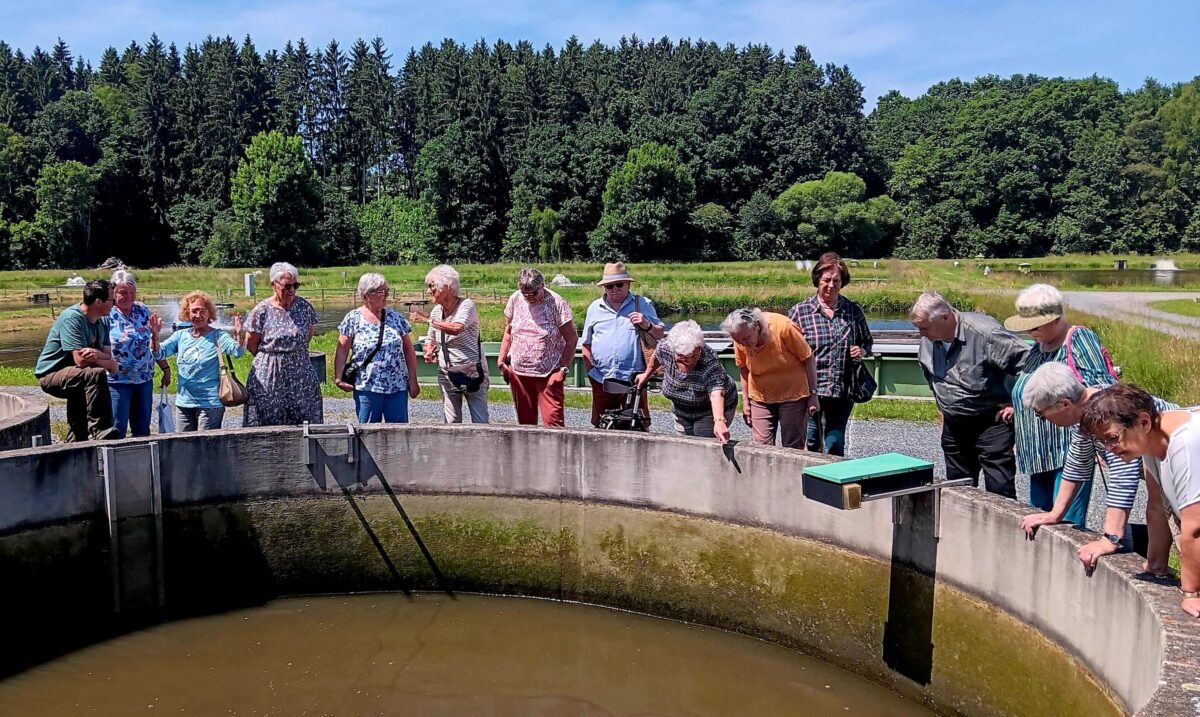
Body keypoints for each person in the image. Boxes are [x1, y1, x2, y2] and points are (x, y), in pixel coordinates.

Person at [1019, 363, 1177, 577]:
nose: (1044, 421)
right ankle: (1160, 568)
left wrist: (1110, 539)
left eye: (1041, 415)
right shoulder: (1089, 409)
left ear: (1064, 404)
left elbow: (1123, 477)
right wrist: (1055, 514)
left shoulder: (1107, 415)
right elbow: (1077, 463)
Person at [1079, 384, 1200, 618]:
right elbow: (1156, 508)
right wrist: (1156, 567)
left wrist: (1191, 593)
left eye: (1112, 438)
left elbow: (1195, 528)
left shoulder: (1185, 442)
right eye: (1103, 442)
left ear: (1143, 422)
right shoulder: (1152, 442)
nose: (1109, 449)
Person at [1004, 284, 1118, 528]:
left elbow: (1101, 392)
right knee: (1039, 518)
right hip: (1038, 453)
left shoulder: (1078, 339)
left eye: (1035, 326)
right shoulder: (1038, 348)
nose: (1030, 332)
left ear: (1054, 320)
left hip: (1068, 450)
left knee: (1066, 522)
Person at [910, 292, 1027, 499]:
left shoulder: (985, 333)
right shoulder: (930, 335)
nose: (920, 334)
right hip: (954, 426)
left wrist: (1016, 403)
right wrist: (942, 407)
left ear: (945, 317)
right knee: (957, 491)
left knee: (1000, 491)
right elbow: (930, 374)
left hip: (991, 423)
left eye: (924, 327)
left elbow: (1030, 364)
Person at [787, 252, 873, 455]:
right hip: (809, 389)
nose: (831, 285)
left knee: (835, 442)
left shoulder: (852, 310)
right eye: (826, 280)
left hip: (842, 389)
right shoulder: (800, 312)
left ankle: (834, 483)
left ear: (843, 282)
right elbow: (788, 350)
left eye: (836, 280)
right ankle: (809, 482)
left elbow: (867, 341)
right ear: (817, 280)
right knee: (811, 440)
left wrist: (861, 350)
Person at [34, 279, 119, 441]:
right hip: (51, 374)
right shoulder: (72, 318)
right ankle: (100, 428)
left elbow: (108, 354)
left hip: (77, 374)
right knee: (95, 374)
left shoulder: (103, 322)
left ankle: (75, 446)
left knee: (78, 415)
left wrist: (96, 355)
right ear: (98, 302)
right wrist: (106, 363)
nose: (114, 304)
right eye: (112, 300)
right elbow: (80, 360)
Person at [582, 262, 664, 428]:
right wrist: (591, 371)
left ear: (628, 284)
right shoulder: (594, 308)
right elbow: (586, 343)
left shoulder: (642, 304)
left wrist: (646, 324)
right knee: (602, 423)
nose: (615, 289)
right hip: (601, 377)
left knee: (637, 423)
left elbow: (660, 334)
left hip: (634, 378)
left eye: (619, 284)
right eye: (609, 286)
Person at [723, 307, 817, 449]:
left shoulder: (783, 327)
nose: (743, 344)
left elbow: (808, 358)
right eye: (739, 341)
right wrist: (746, 403)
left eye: (746, 338)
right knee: (760, 447)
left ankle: (790, 471)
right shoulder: (740, 337)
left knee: (792, 446)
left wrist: (813, 394)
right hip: (760, 396)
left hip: (793, 394)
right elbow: (744, 369)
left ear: (755, 326)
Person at [244, 262, 323, 427]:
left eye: (296, 285)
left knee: (305, 420)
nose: (292, 290)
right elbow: (251, 345)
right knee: (269, 421)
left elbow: (307, 337)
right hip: (269, 375)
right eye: (287, 286)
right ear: (273, 285)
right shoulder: (261, 310)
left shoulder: (304, 307)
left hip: (301, 374)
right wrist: (274, 359)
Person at [153, 291, 245, 431]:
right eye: (194, 311)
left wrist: (239, 335)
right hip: (184, 403)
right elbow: (159, 353)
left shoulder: (218, 335)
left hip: (210, 404)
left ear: (209, 313)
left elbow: (237, 352)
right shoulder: (180, 336)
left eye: (202, 311)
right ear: (187, 313)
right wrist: (154, 336)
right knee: (185, 448)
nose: (198, 315)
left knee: (206, 449)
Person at [334, 273, 419, 423]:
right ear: (367, 295)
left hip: (397, 387)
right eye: (382, 292)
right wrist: (339, 377)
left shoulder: (395, 317)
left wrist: (412, 379)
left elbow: (408, 350)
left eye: (387, 291)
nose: (386, 295)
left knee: (399, 434)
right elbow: (342, 350)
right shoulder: (353, 318)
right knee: (369, 435)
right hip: (367, 387)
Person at [497, 268, 577, 427]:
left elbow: (571, 339)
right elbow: (508, 331)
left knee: (553, 422)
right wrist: (501, 360)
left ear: (543, 286)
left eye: (534, 293)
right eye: (525, 293)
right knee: (525, 424)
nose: (529, 297)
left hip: (549, 373)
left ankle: (555, 452)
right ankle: (526, 452)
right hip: (519, 372)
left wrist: (563, 369)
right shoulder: (515, 298)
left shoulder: (557, 303)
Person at [410, 264, 489, 424]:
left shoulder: (466, 305)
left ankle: (482, 448)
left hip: (472, 372)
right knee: (451, 423)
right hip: (447, 374)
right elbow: (430, 339)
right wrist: (428, 350)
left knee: (480, 422)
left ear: (446, 286)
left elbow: (456, 328)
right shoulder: (437, 311)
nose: (428, 291)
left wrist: (426, 319)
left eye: (432, 286)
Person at [635, 320, 736, 443]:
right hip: (680, 409)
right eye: (684, 358)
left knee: (702, 445)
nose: (690, 361)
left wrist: (719, 421)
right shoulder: (665, 347)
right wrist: (646, 374)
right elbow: (657, 356)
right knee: (683, 444)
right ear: (673, 351)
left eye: (694, 355)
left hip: (708, 410)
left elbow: (716, 393)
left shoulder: (709, 361)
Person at [107, 270, 171, 438]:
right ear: (113, 292)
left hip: (144, 377)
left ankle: (142, 462)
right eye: (123, 293)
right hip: (117, 379)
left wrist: (164, 366)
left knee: (142, 428)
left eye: (132, 293)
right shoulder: (107, 313)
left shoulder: (142, 310)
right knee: (117, 428)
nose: (128, 297)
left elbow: (152, 343)